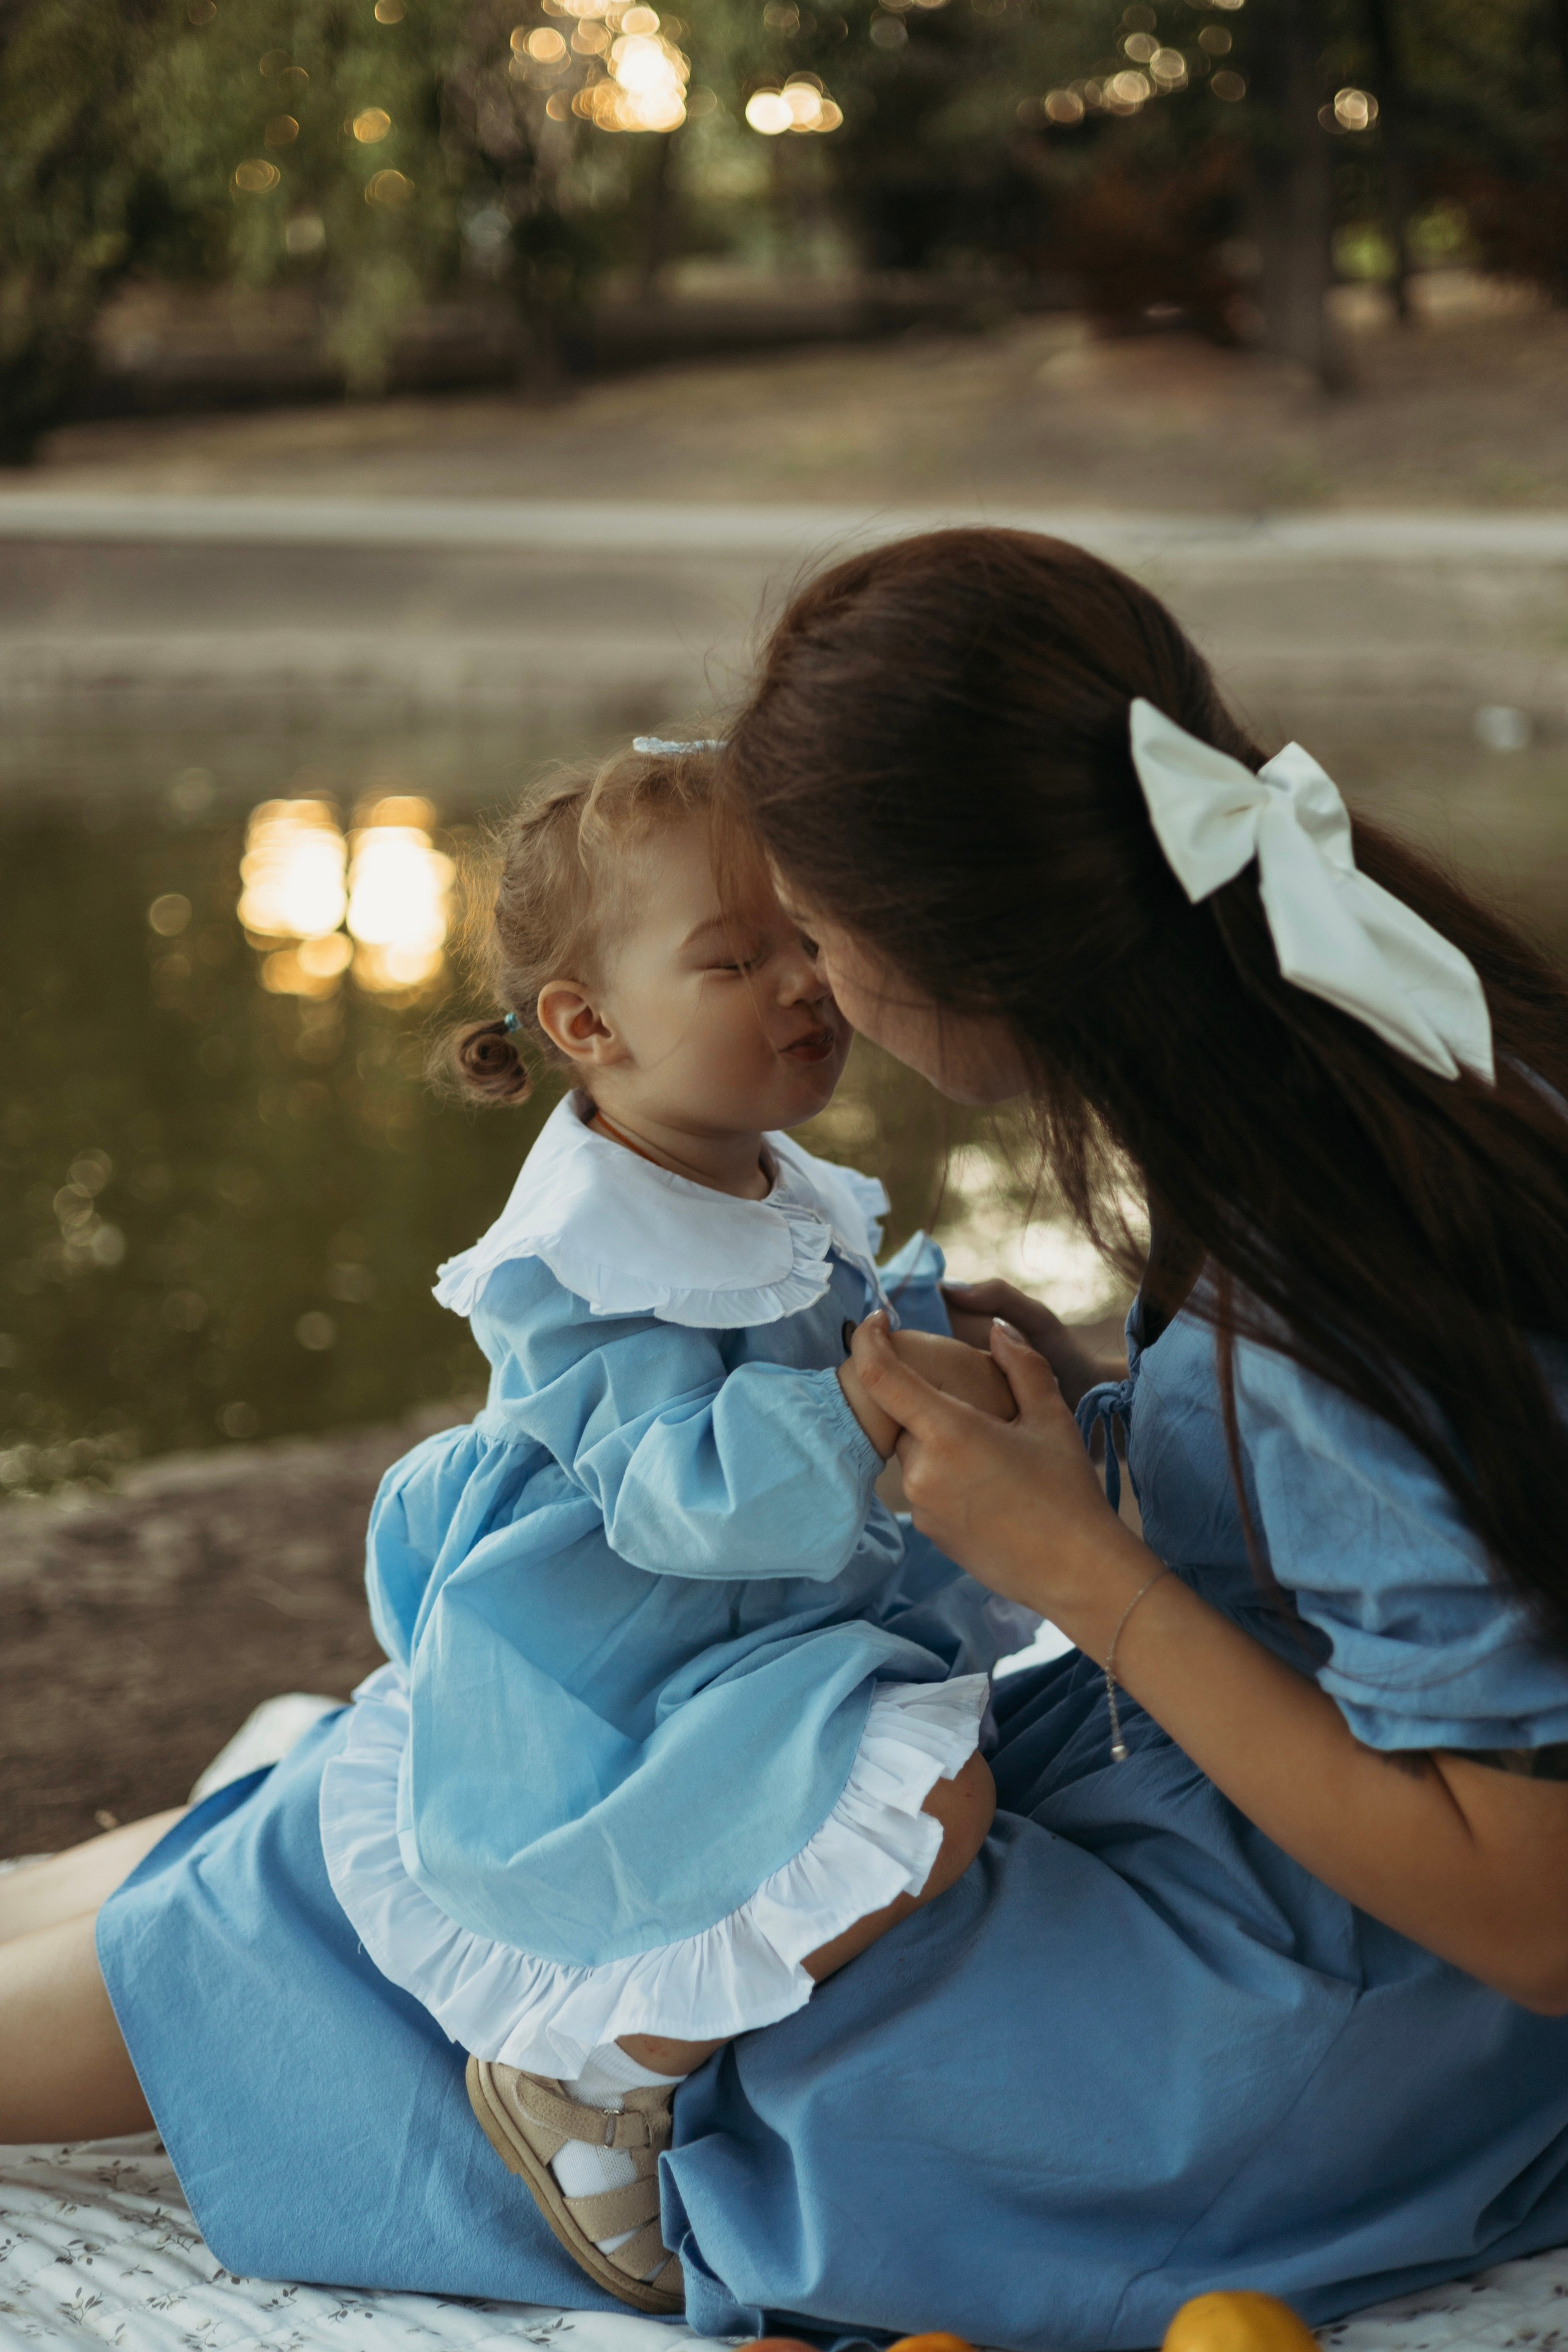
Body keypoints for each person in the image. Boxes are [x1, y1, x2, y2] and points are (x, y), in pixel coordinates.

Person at [7, 524, 1568, 2351]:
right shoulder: (1373, 1033)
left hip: (1299, 2022)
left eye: (817, 931)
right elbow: (1417, 1518)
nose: (813, 984)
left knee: (488, 1908)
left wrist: (1086, 1571)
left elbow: (1529, 1907)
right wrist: (1115, 1417)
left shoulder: (1321, 1245)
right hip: (1267, 1872)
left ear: (952, 943)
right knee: (484, 1775)